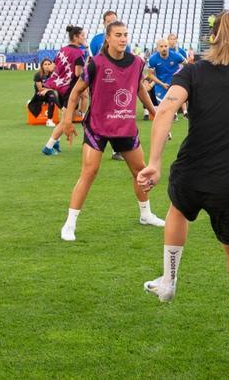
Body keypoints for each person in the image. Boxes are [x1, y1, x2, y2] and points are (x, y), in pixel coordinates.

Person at [135, 11, 229, 374]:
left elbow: (167, 106)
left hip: (190, 175)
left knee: (178, 211)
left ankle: (169, 280)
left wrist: (153, 161)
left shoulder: (193, 71)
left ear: (212, 37)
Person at [58, 21, 164, 240]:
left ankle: (146, 214)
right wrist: (68, 121)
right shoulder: (95, 63)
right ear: (108, 38)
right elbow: (76, 92)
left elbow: (139, 89)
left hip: (125, 126)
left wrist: (154, 113)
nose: (123, 39)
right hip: (97, 127)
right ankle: (69, 224)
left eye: (125, 34)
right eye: (118, 35)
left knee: (140, 172)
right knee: (89, 172)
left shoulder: (137, 62)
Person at [42, 25, 87, 156]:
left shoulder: (62, 49)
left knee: (66, 117)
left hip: (59, 88)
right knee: (66, 120)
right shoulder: (79, 53)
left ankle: (56, 140)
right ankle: (48, 146)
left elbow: (53, 67)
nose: (84, 38)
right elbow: (78, 73)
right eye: (83, 35)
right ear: (76, 37)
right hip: (71, 90)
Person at [147, 37, 186, 118]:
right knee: (163, 111)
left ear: (168, 46)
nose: (164, 48)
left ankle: (179, 113)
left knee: (168, 111)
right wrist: (162, 84)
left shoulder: (176, 55)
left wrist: (179, 74)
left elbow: (187, 65)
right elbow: (150, 75)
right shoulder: (153, 59)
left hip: (174, 85)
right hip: (160, 86)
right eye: (161, 46)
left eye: (166, 46)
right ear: (157, 48)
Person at [29, 59, 60, 126]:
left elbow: (57, 86)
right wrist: (49, 89)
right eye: (45, 64)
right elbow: (40, 89)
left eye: (49, 64)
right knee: (51, 93)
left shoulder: (54, 74)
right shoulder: (38, 75)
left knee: (51, 97)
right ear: (42, 66)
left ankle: (49, 120)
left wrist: (49, 90)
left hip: (49, 95)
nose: (47, 66)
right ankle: (62, 108)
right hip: (39, 95)